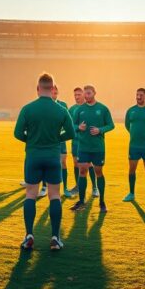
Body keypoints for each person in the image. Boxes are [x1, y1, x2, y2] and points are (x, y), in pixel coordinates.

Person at [14, 73, 75, 251]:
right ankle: (55, 238)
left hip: (33, 156)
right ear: (53, 88)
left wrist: (32, 140)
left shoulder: (28, 108)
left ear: (38, 89)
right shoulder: (61, 110)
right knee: (54, 195)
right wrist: (56, 138)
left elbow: (17, 133)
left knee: (30, 194)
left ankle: (29, 235)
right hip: (53, 157)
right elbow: (71, 133)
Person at [70, 85, 114, 213]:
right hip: (83, 147)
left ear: (94, 93)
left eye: (88, 93)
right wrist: (79, 127)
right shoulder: (79, 109)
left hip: (98, 148)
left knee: (98, 172)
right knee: (82, 172)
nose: (86, 95)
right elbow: (72, 125)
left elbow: (111, 125)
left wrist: (100, 130)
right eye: (85, 93)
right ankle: (81, 201)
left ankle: (102, 202)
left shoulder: (103, 108)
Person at [67, 87, 95, 198]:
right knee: (76, 163)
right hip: (75, 141)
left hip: (86, 142)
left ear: (84, 95)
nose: (77, 97)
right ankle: (78, 186)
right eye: (75, 95)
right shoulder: (71, 109)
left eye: (79, 95)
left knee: (89, 164)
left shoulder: (89, 108)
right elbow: (69, 126)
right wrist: (77, 127)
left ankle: (95, 188)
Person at [52, 85, 73, 198]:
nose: (54, 95)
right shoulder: (45, 105)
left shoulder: (63, 105)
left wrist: (61, 133)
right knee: (48, 163)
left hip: (60, 139)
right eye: (52, 92)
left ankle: (65, 188)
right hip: (48, 140)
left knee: (63, 163)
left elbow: (68, 123)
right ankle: (45, 187)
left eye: (55, 93)